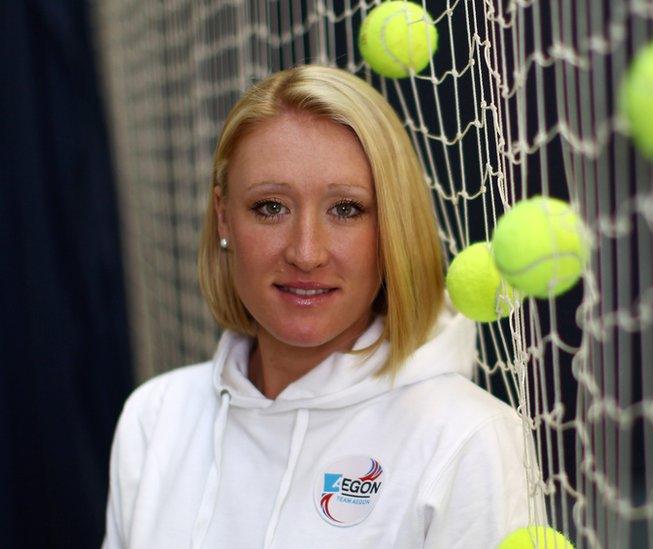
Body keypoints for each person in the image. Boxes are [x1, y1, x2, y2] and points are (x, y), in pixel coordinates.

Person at [103, 66, 544, 548]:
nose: (306, 252)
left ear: (390, 228)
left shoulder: (468, 437)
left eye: (346, 210)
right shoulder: (156, 417)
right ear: (224, 216)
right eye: (271, 207)